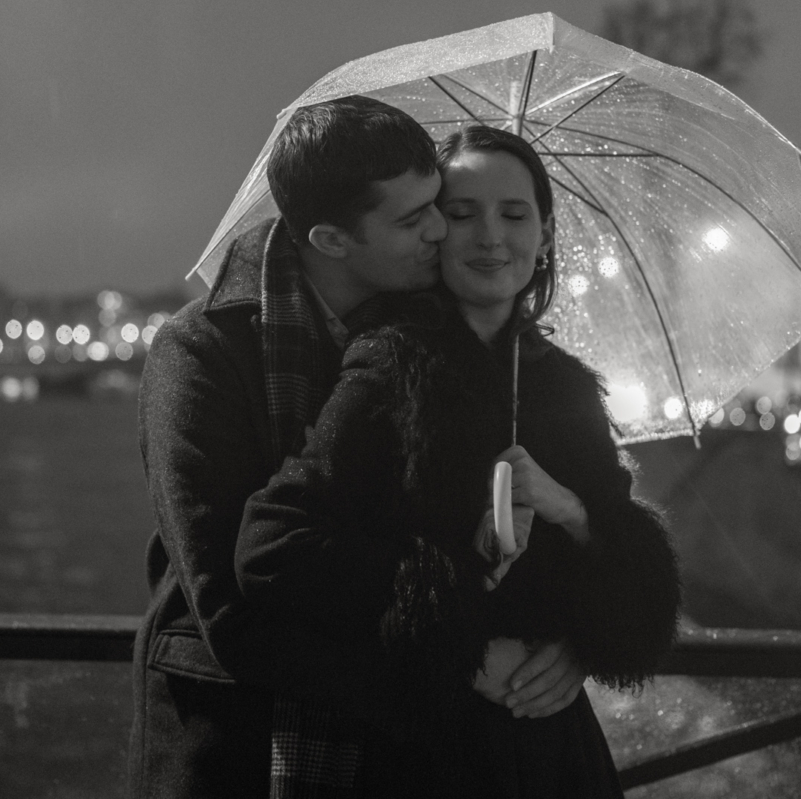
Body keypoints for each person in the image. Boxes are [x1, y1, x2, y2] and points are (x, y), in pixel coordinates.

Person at [236, 124, 682, 796]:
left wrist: (576, 551)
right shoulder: (392, 365)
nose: (490, 238)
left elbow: (635, 593)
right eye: (461, 213)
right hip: (430, 755)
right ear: (435, 231)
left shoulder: (566, 386)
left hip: (556, 757)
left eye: (514, 214)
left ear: (547, 234)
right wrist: (454, 635)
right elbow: (272, 546)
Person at [130, 95, 452, 798]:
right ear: (332, 240)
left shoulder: (427, 338)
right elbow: (226, 606)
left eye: (438, 201)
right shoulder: (199, 353)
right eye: (410, 218)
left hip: (394, 758)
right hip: (235, 750)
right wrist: (438, 670)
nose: (440, 228)